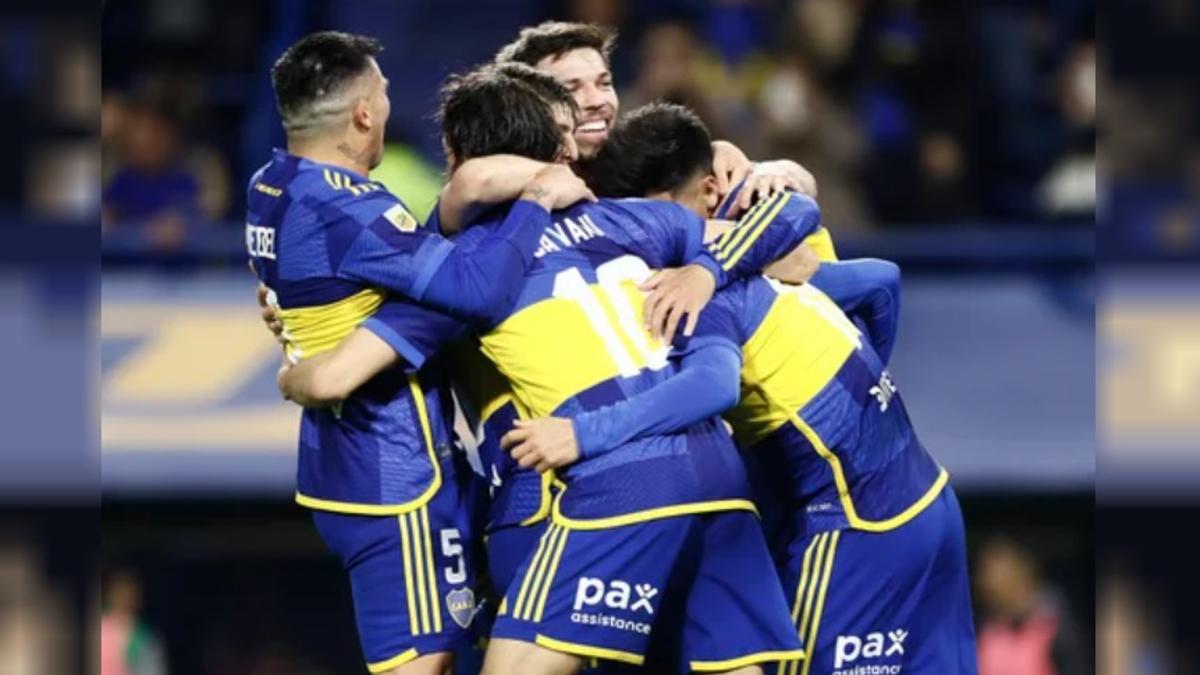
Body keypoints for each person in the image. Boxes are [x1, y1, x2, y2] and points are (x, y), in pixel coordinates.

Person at [277, 60, 824, 674]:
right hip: (718, 472)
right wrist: (718, 258)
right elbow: (793, 233)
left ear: (455, 154)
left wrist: (293, 363)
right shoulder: (640, 220)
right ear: (557, 150)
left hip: (612, 481)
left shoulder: (466, 274)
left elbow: (334, 378)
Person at [512, 104, 977, 675]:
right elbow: (881, 281)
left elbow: (712, 386)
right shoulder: (768, 253)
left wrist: (582, 433)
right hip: (931, 502)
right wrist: (867, 392)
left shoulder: (693, 291)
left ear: (706, 193)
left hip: (855, 525)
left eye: (659, 214)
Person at [249, 32, 597, 675]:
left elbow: (345, 286)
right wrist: (536, 199)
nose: (388, 105)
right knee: (424, 663)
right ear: (363, 113)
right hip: (393, 472)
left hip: (352, 462)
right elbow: (477, 292)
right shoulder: (347, 208)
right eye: (382, 93)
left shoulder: (271, 184)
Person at [976, 536, 1089, 675]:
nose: (986, 586)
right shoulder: (988, 629)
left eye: (996, 580)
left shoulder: (1058, 629)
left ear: (1021, 574)